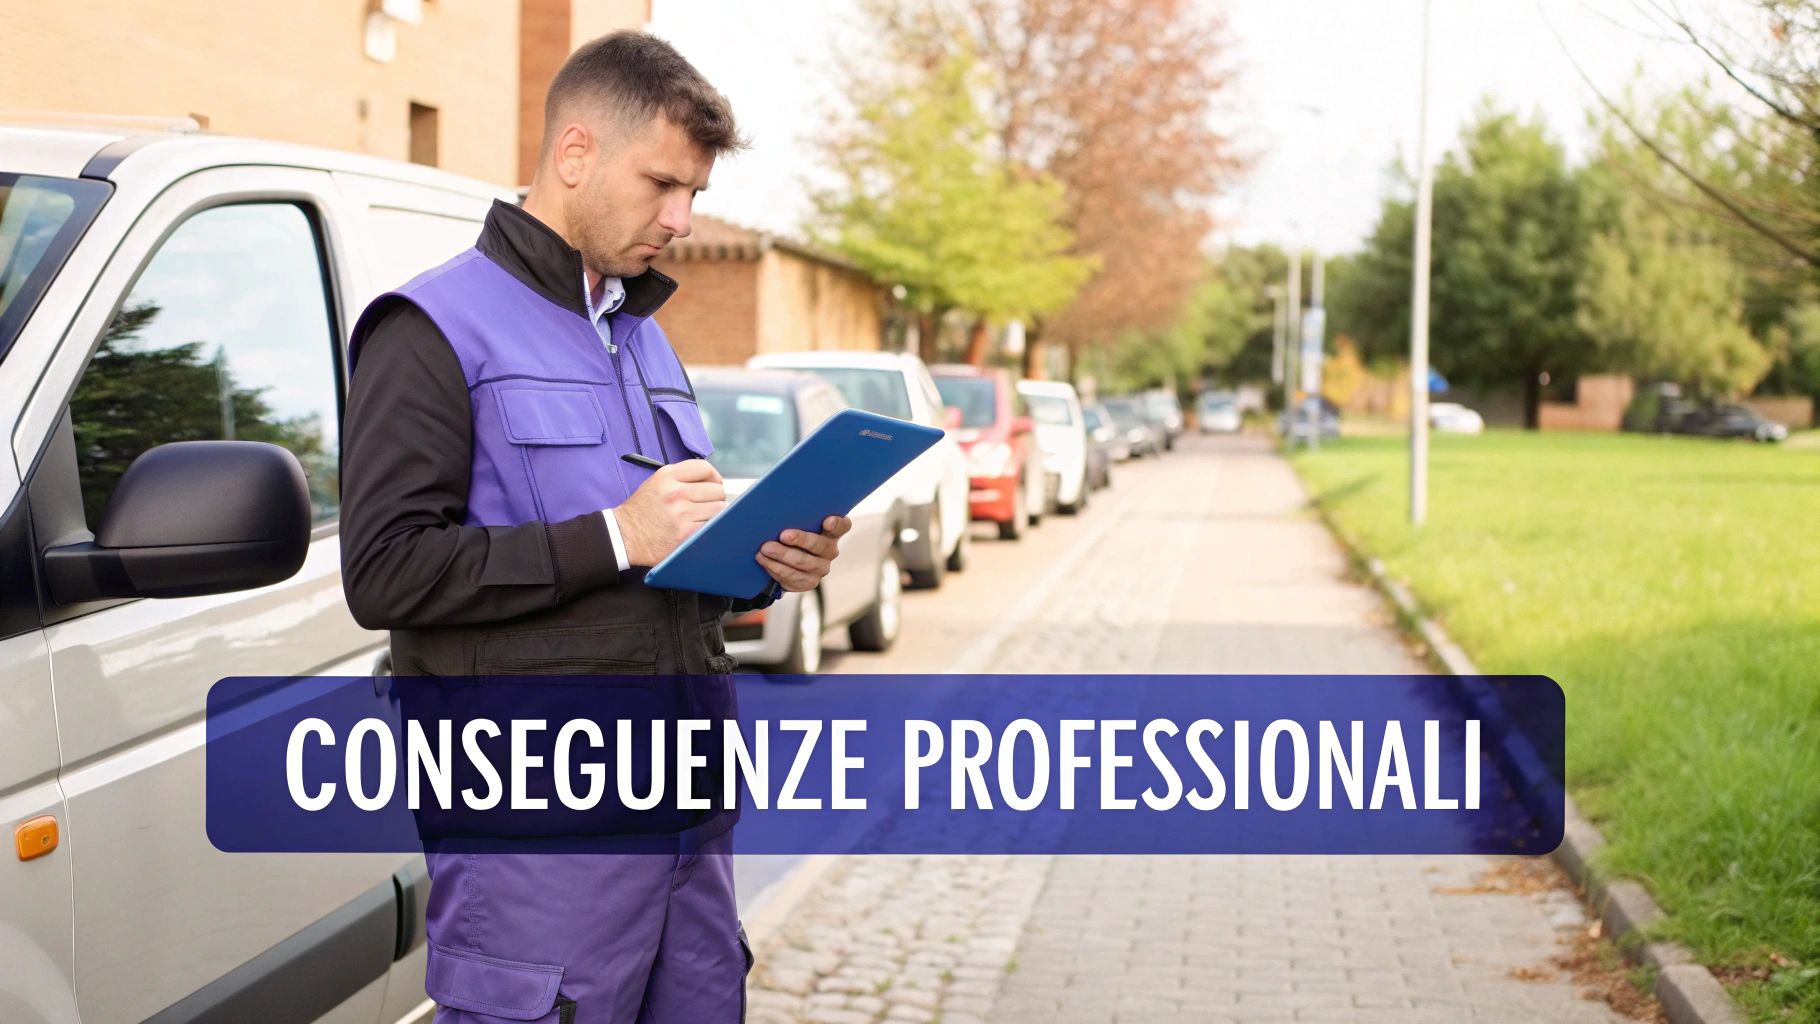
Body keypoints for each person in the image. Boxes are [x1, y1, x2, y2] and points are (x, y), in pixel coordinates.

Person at [339, 31, 849, 1023]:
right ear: (574, 155)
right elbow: (386, 571)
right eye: (662, 183)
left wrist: (760, 563)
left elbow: (664, 564)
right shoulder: (431, 328)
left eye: (695, 192)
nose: (683, 218)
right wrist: (616, 533)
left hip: (688, 830)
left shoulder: (645, 338)